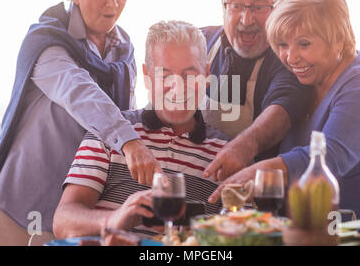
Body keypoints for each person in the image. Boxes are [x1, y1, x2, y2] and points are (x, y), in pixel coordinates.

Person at [0, 0, 161, 246]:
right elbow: (79, 91)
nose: (113, 3)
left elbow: (126, 112)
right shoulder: (45, 42)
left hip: (79, 212)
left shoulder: (124, 51)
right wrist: (131, 143)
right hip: (21, 207)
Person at [209, 0, 360, 224]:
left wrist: (255, 174)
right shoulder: (307, 78)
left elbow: (329, 159)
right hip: (320, 230)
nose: (291, 58)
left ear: (337, 40)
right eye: (283, 46)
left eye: (304, 44)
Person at [53, 20, 229, 239]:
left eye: (189, 74)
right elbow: (62, 222)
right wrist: (116, 218)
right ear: (147, 76)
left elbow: (251, 232)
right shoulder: (109, 133)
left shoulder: (226, 152)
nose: (177, 87)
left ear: (206, 75)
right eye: (164, 75)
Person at [201, 0, 311, 183]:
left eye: (259, 7)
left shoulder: (288, 57)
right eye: (237, 5)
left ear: (278, 10)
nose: (246, 19)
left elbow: (282, 110)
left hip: (254, 190)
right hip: (193, 181)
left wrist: (245, 146)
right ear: (224, 8)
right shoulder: (200, 42)